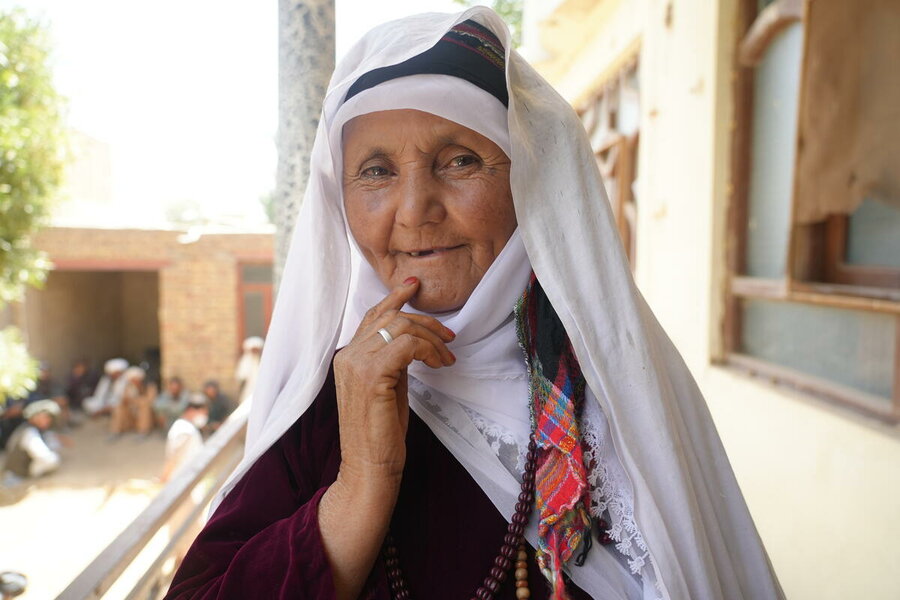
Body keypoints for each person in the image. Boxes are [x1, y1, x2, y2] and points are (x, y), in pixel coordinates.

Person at [165, 8, 782, 600]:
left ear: (530, 181)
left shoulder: (618, 384)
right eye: (376, 171)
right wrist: (360, 487)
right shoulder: (328, 403)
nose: (414, 211)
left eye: (460, 160)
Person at [2, 400, 62, 483]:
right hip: (16, 478)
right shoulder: (29, 432)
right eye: (44, 417)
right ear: (34, 417)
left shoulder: (32, 430)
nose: (48, 420)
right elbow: (46, 458)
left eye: (49, 418)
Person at [160, 394, 208, 484]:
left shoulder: (188, 427)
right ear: (191, 411)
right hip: (182, 480)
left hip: (189, 478)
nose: (204, 417)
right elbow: (172, 456)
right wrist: (165, 477)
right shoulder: (184, 430)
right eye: (203, 413)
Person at [109, 367, 157, 436]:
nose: (134, 382)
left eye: (135, 380)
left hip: (147, 416)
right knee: (119, 407)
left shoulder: (150, 386)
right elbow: (125, 399)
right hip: (132, 414)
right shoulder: (129, 387)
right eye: (132, 380)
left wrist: (134, 401)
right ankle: (115, 431)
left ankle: (143, 431)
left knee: (144, 407)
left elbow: (149, 401)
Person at [234, 336, 263, 405]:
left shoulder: (262, 360)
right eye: (253, 350)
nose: (255, 352)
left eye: (257, 350)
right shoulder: (245, 361)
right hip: (248, 390)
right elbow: (241, 377)